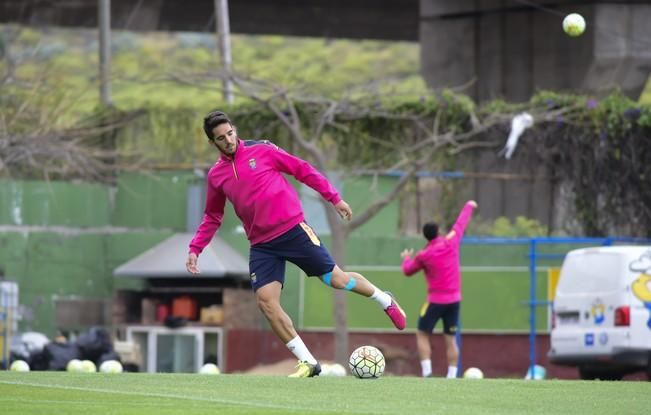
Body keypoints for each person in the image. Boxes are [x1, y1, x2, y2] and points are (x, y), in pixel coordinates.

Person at [186, 110, 407, 378]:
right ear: (213, 143)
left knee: (337, 280)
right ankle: (308, 362)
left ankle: (384, 298)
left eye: (230, 133)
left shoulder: (263, 150)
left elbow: (302, 170)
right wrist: (196, 248)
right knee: (266, 302)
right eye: (221, 138)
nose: (228, 140)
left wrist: (334, 198)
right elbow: (213, 215)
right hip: (262, 245)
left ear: (234, 129)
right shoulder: (216, 176)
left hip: (293, 231)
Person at [400, 200, 477, 378]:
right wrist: (469, 206)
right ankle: (451, 376)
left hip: (435, 302)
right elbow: (460, 224)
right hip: (455, 301)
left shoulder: (423, 255)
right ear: (439, 232)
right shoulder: (451, 242)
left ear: (424, 236)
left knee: (422, 333)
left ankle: (427, 372)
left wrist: (406, 258)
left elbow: (407, 271)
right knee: (450, 338)